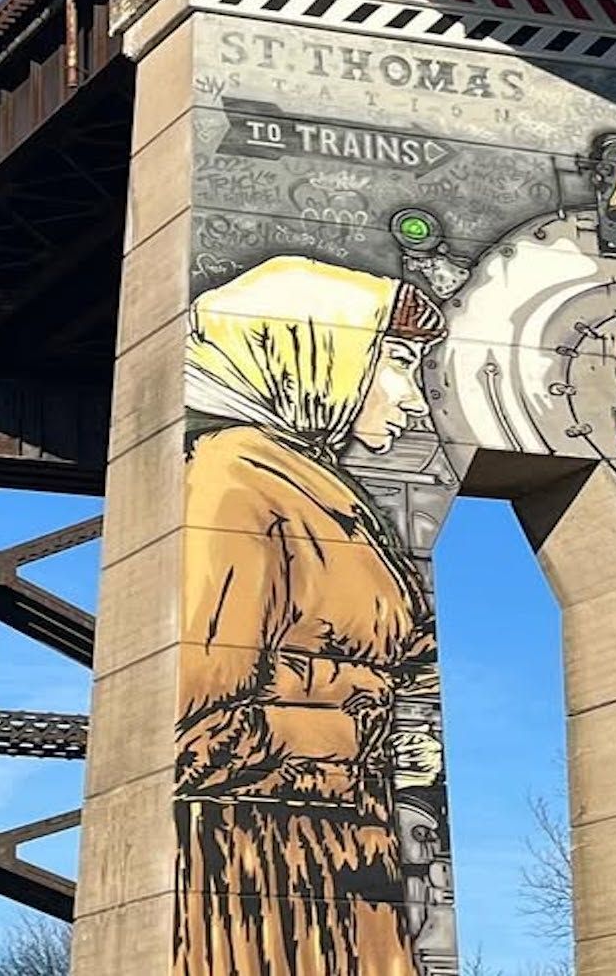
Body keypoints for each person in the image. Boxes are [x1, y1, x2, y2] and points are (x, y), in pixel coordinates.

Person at [173, 255, 448, 976]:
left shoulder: (319, 488)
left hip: (346, 852)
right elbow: (194, 728)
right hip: (261, 873)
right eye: (396, 363)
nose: (413, 397)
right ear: (317, 351)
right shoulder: (231, 482)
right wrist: (357, 729)